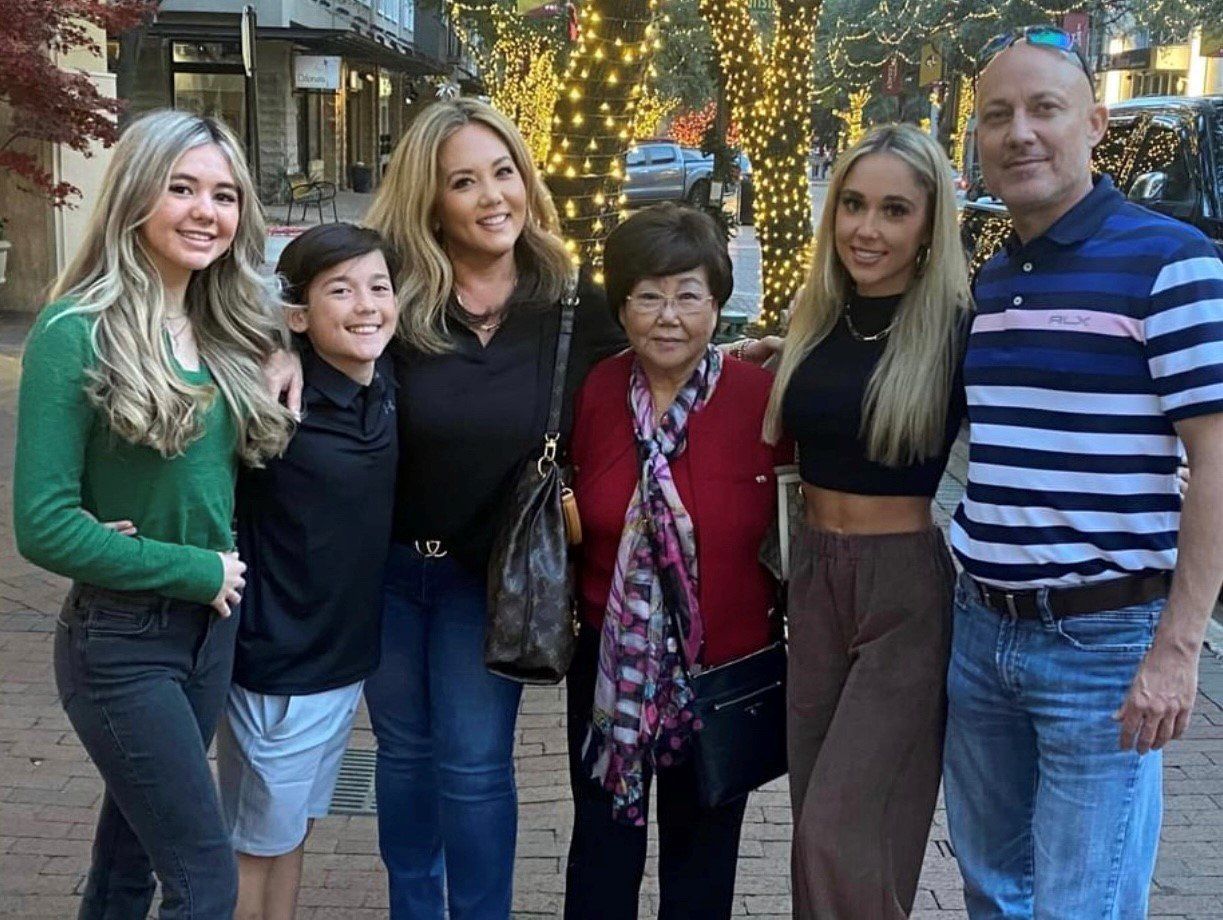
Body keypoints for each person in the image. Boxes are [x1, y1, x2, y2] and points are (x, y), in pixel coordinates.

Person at [945, 27, 1223, 917]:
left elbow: (1215, 460)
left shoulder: (1169, 262)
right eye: (996, 116)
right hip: (980, 633)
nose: (1018, 132)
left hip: (1102, 648)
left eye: (1043, 109)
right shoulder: (992, 276)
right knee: (991, 889)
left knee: (1080, 902)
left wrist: (1176, 651)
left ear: (1094, 123)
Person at [12, 110, 294, 919]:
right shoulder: (77, 332)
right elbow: (44, 525)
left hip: (208, 634)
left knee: (129, 861)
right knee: (206, 886)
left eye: (224, 194)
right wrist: (194, 567)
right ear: (136, 194)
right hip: (122, 642)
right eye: (182, 189)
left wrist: (289, 346)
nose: (207, 211)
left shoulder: (224, 324)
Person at [359, 97, 627, 919]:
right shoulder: (390, 301)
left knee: (473, 764)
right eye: (463, 182)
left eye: (502, 173)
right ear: (429, 201)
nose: (491, 197)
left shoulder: (571, 304)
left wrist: (752, 359)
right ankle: (415, 909)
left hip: (496, 578)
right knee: (404, 758)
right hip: (388, 573)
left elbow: (658, 362)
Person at [762, 123, 972, 918]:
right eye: (852, 204)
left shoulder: (953, 327)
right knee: (814, 815)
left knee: (841, 829)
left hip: (904, 593)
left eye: (893, 210)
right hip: (811, 581)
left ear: (927, 226)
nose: (866, 228)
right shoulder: (816, 315)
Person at [563, 204, 790, 919]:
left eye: (688, 294)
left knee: (701, 862)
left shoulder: (763, 399)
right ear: (621, 307)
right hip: (607, 665)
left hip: (719, 671)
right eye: (647, 295)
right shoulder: (597, 391)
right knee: (600, 847)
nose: (668, 316)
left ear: (717, 305)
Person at [215, 223, 400, 920]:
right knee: (252, 847)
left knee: (291, 835)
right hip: (276, 670)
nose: (365, 305)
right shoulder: (274, 408)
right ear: (298, 313)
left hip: (342, 664)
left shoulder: (385, 383)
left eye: (378, 287)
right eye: (340, 290)